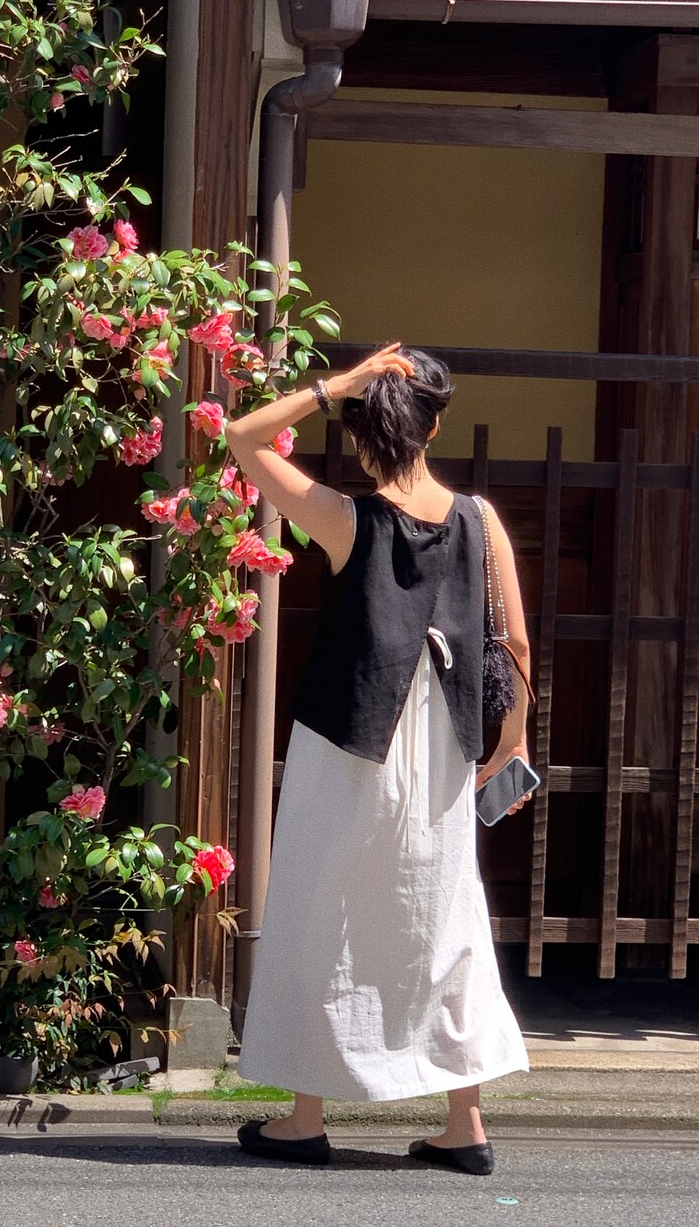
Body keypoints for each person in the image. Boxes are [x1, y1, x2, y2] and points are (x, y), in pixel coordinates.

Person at [226, 343, 533, 1175]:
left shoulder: (345, 518)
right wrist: (509, 744)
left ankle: (305, 1117)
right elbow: (514, 644)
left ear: (363, 433)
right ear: (435, 426)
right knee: (446, 919)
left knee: (319, 909)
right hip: (443, 747)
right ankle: (464, 1124)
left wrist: (334, 385)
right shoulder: (481, 520)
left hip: (348, 740)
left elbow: (241, 437)